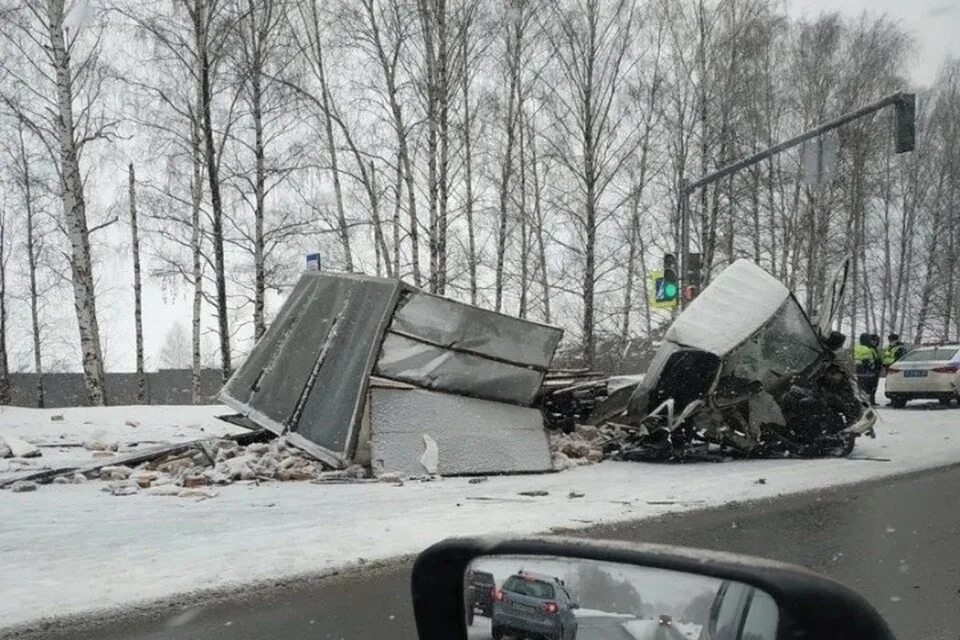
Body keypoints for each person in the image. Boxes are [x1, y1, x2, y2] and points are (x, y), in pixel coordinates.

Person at [853, 333, 883, 405]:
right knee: (871, 387)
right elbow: (875, 359)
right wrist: (879, 366)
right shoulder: (870, 349)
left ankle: (863, 401)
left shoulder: (857, 348)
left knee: (863, 387)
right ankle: (870, 401)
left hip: (860, 370)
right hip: (870, 370)